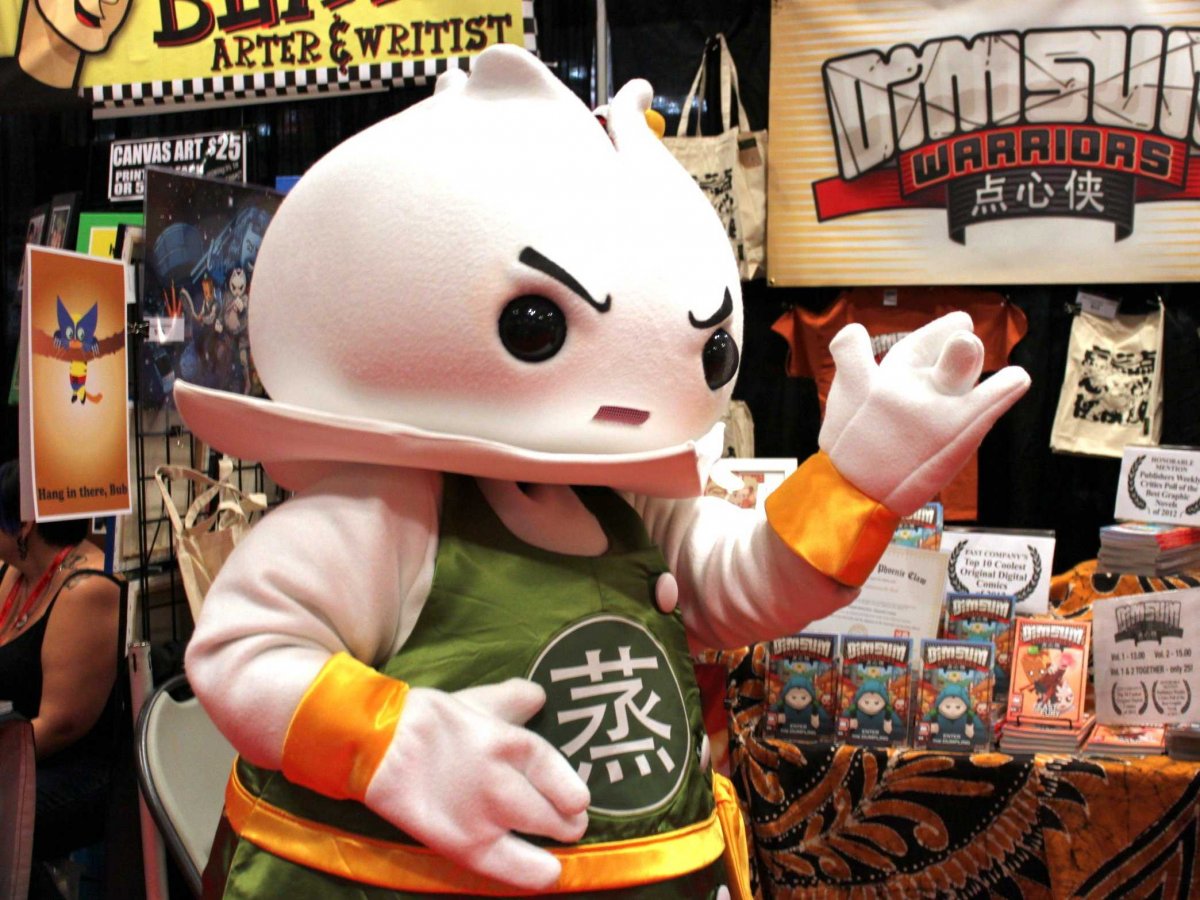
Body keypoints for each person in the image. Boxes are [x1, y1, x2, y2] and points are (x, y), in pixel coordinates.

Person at [0, 460, 121, 891]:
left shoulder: (87, 589)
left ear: (24, 525)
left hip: (74, 771)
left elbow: (60, 725)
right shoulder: (16, 573)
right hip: (17, 755)